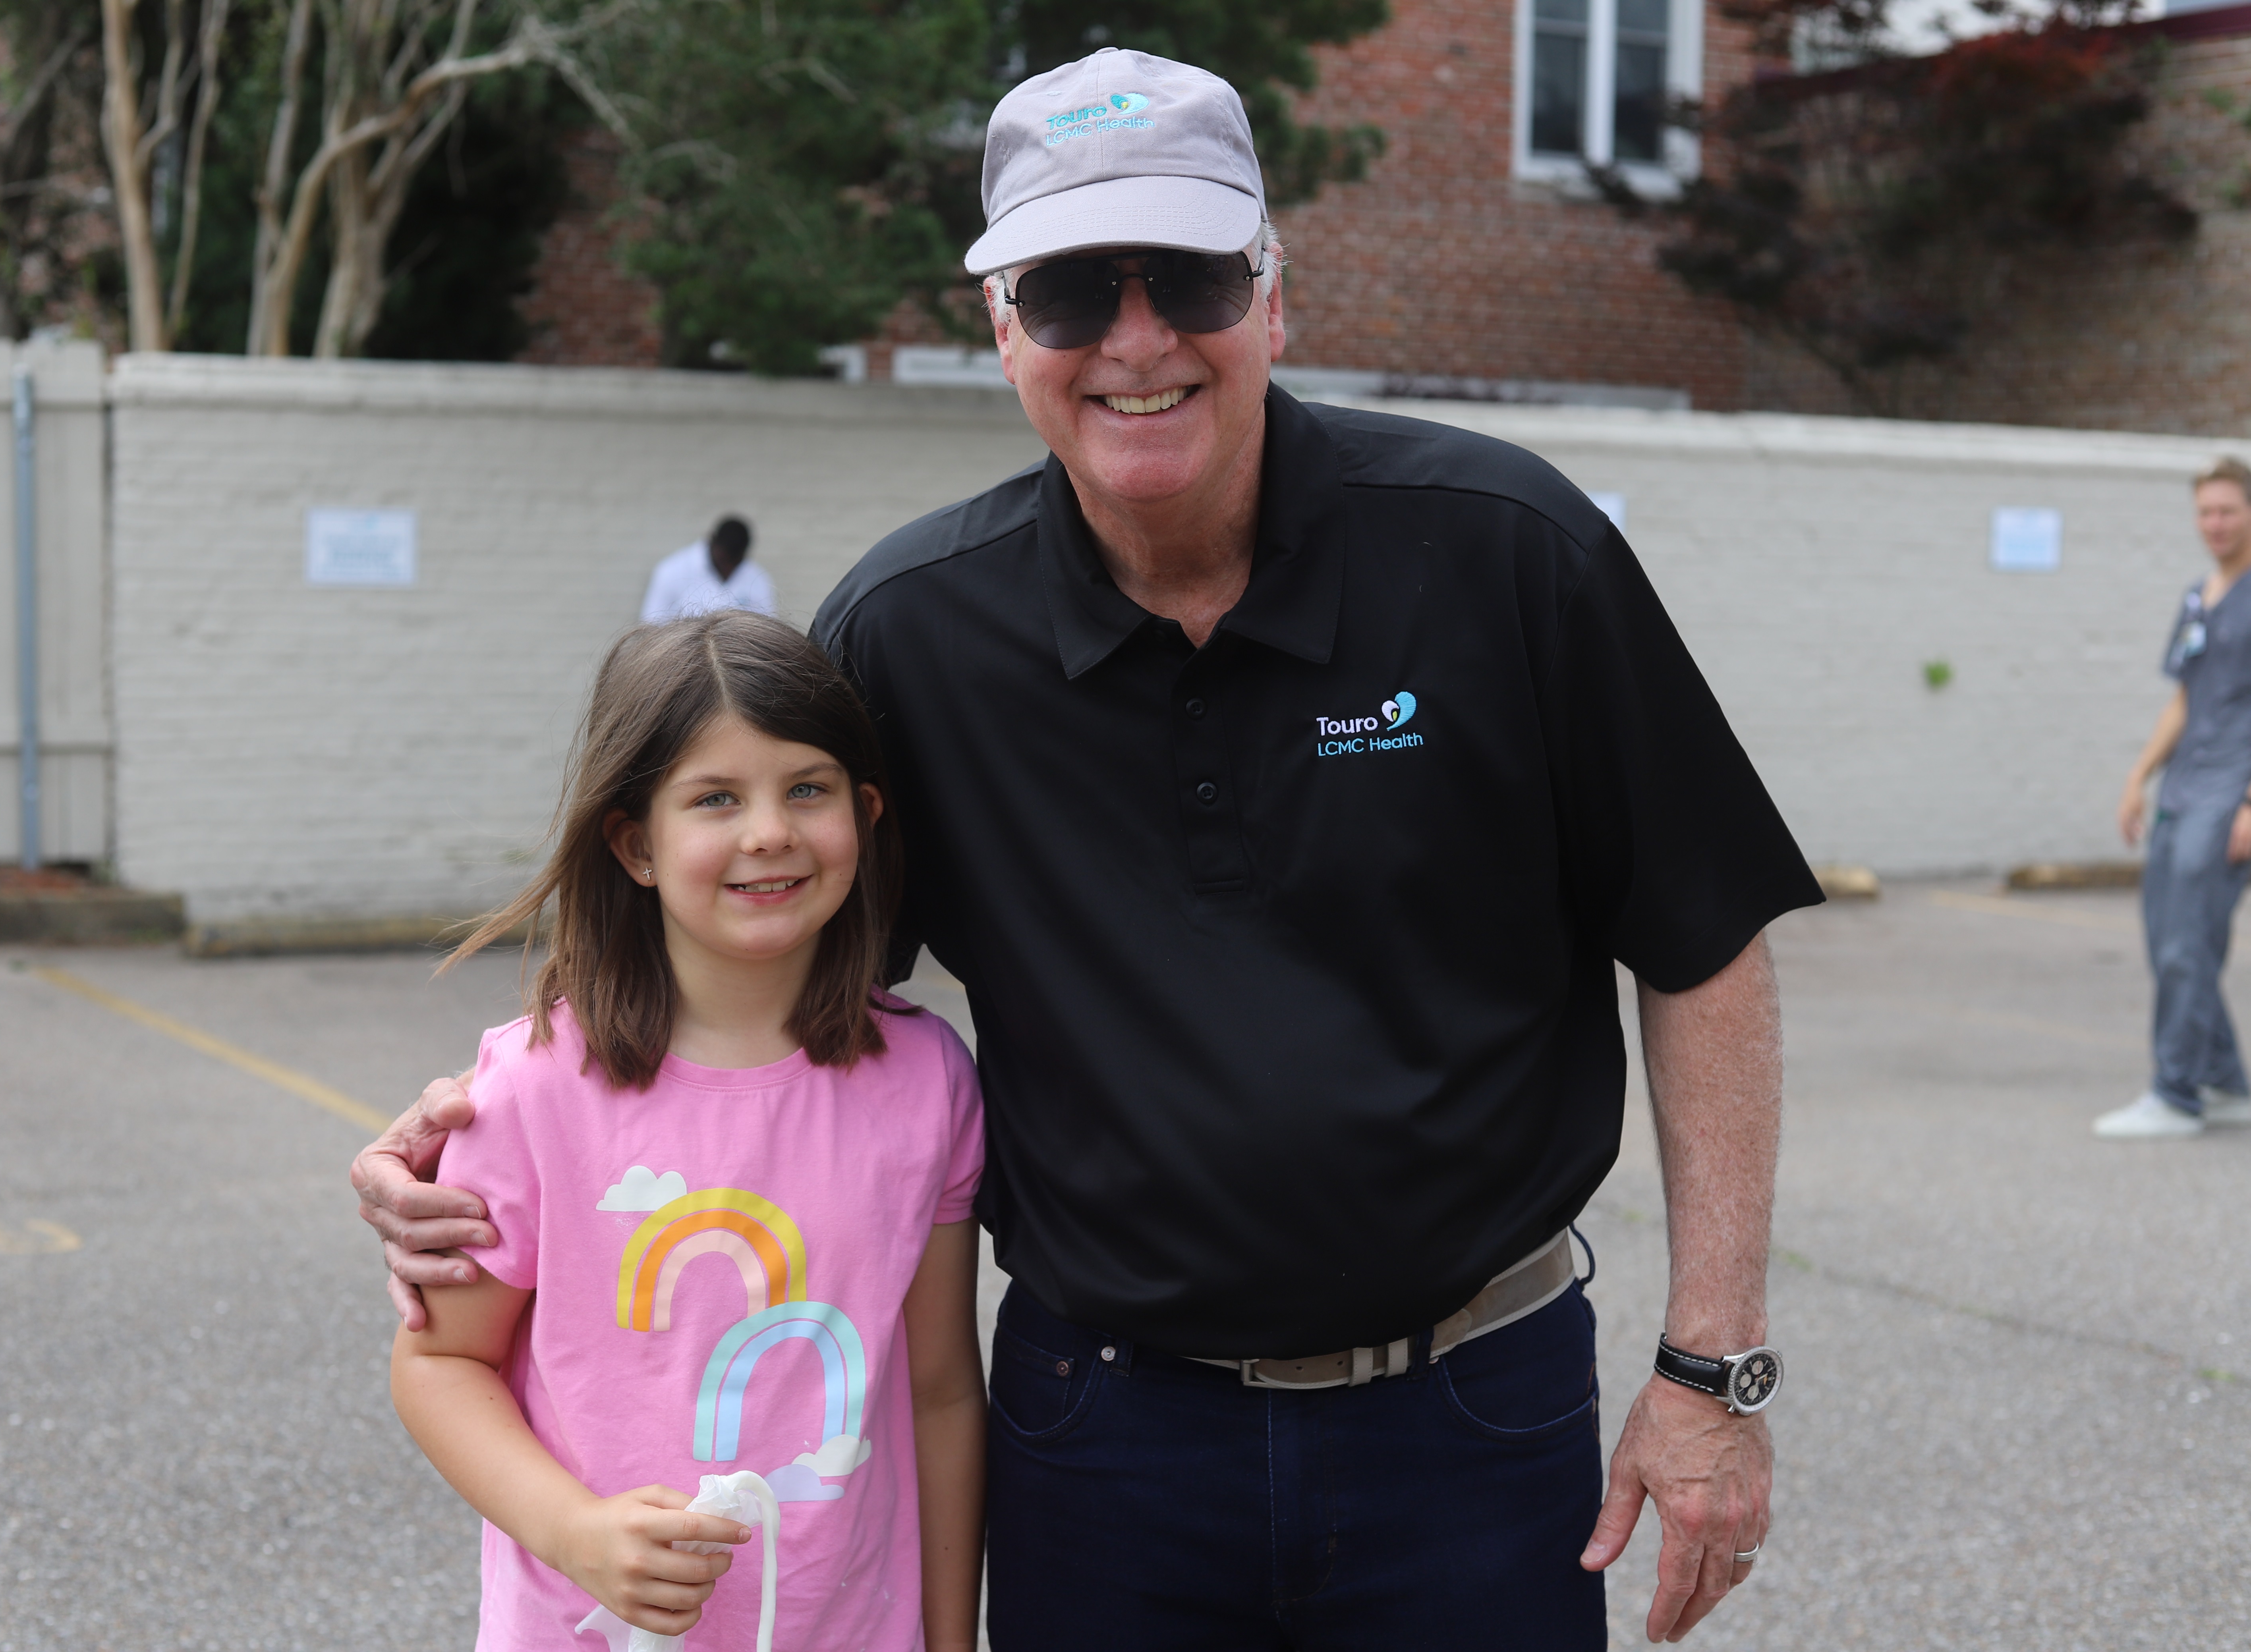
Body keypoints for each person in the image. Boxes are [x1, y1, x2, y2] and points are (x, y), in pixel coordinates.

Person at [359, 49, 1822, 1649]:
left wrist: (1714, 1368)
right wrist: (499, 1107)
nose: (1135, 339)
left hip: (1475, 1413)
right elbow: (759, 958)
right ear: (1005, 331)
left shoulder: (1510, 554)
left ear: (1274, 296)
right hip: (1106, 1441)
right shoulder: (913, 636)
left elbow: (1704, 938)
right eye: (1067, 292)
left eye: (1189, 275)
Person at [386, 612, 986, 1651]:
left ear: (866, 813)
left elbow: (941, 1394)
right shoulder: (529, 1091)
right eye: (717, 798)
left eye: (808, 789)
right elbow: (440, 1365)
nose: (770, 832)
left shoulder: (929, 1079)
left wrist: (947, 1642)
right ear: (636, 845)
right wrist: (574, 1534)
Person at [2099, 457, 2251, 1140]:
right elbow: (2185, 700)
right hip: (2184, 786)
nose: (2216, 523)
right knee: (2166, 937)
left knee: (2189, 944)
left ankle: (2176, 1093)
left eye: (2228, 510)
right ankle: (2226, 1083)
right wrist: (2138, 777)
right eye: (2206, 512)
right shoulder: (2199, 596)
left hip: (2230, 794)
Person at [641, 515, 776, 625]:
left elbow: (767, 628)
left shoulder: (758, 578)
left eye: (735, 563)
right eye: (724, 561)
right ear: (712, 542)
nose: (728, 569)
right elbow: (651, 626)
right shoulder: (671, 572)